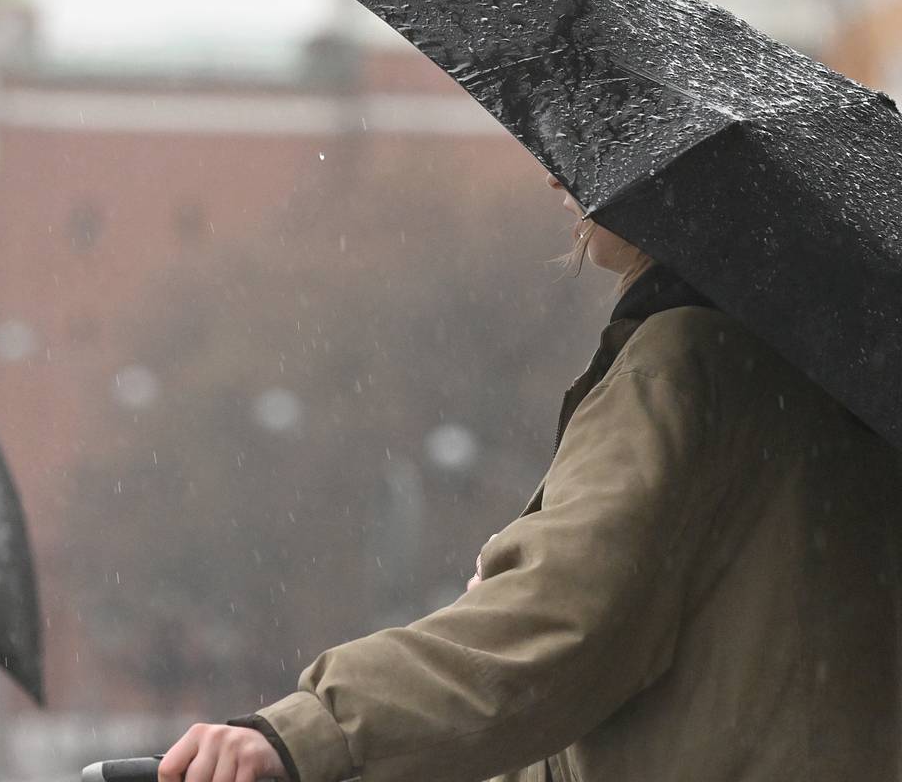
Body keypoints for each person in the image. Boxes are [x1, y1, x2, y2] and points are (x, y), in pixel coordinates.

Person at [159, 174, 902, 781]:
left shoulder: (685, 361)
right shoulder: (838, 384)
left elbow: (559, 628)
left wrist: (304, 734)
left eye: (604, 139)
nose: (558, 176)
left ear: (679, 178)